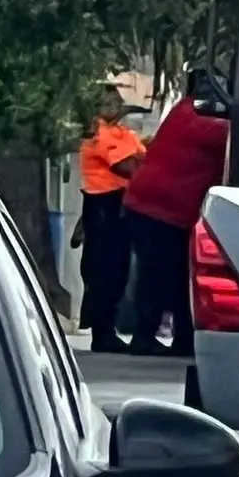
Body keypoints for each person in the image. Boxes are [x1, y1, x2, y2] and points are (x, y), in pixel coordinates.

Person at [123, 67, 228, 357]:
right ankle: (149, 337)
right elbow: (232, 137)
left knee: (168, 274)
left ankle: (170, 336)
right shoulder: (201, 119)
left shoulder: (184, 110)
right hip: (161, 209)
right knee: (162, 274)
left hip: (154, 206)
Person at [77, 85, 147, 352]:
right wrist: (141, 159)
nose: (116, 105)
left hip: (118, 206)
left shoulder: (121, 132)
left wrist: (141, 157)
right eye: (109, 102)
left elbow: (141, 156)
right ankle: (101, 333)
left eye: (117, 101)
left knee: (118, 271)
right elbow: (127, 166)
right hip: (104, 206)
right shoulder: (98, 133)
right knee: (104, 272)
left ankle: (107, 330)